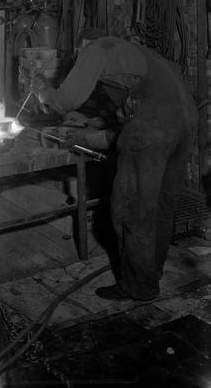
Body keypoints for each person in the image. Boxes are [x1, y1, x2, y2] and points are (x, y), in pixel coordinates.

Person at [34, 28, 198, 303]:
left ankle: (138, 288)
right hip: (186, 123)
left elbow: (65, 101)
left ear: (82, 46)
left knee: (132, 209)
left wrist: (41, 91)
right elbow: (129, 131)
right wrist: (85, 135)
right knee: (159, 205)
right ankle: (150, 275)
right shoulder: (141, 58)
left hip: (155, 129)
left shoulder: (96, 48)